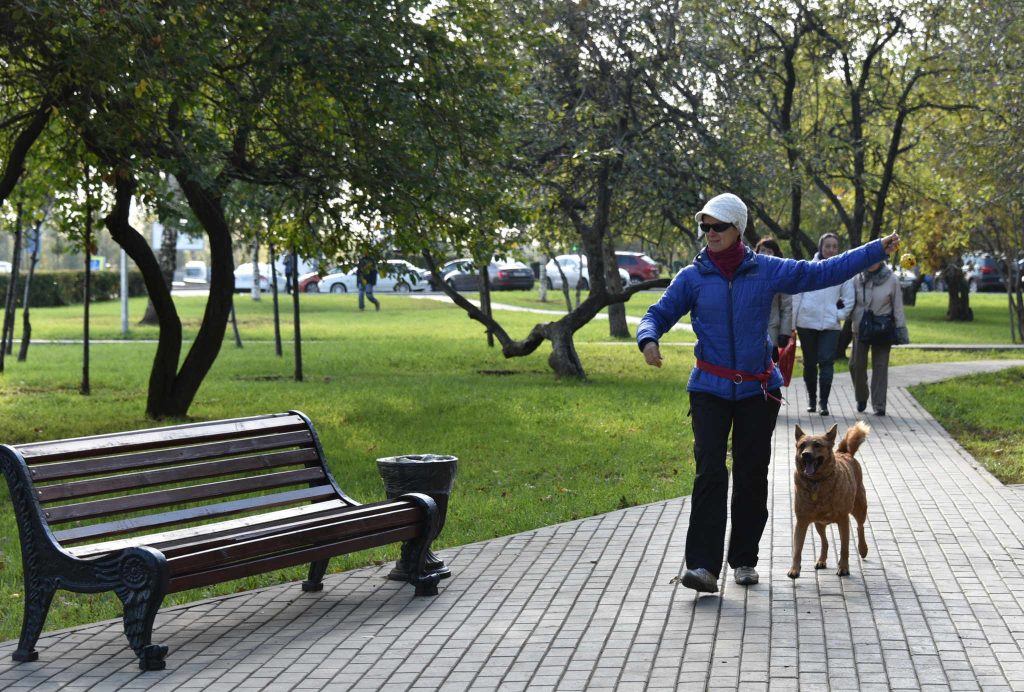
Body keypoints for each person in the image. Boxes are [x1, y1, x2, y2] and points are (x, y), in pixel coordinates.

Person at [637, 193, 899, 594]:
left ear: (737, 228)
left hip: (757, 390)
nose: (709, 234)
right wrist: (648, 337)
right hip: (708, 387)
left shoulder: (766, 270)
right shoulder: (692, 277)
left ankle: (743, 559)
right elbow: (658, 312)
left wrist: (874, 250)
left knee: (750, 473)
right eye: (704, 227)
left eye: (717, 226)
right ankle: (703, 567)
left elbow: (822, 273)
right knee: (709, 469)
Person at [791, 233, 854, 416]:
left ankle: (823, 403)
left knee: (827, 362)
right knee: (810, 364)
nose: (831, 249)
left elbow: (849, 298)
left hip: (830, 325)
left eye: (835, 246)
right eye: (828, 246)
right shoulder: (809, 268)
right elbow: (797, 295)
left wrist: (838, 314)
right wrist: (793, 323)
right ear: (821, 248)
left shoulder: (843, 271)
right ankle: (811, 399)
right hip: (806, 323)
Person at [850, 260, 908, 416]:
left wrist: (900, 328)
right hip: (861, 327)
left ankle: (879, 405)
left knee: (880, 367)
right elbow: (850, 302)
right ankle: (861, 396)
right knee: (856, 365)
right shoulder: (858, 278)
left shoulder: (892, 279)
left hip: (883, 328)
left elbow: (898, 306)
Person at [754, 237, 792, 361]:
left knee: (770, 368)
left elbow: (786, 307)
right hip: (750, 330)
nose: (765, 254)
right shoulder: (748, 272)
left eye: (769, 251)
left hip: (771, 330)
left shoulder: (782, 276)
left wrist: (785, 333)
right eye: (762, 250)